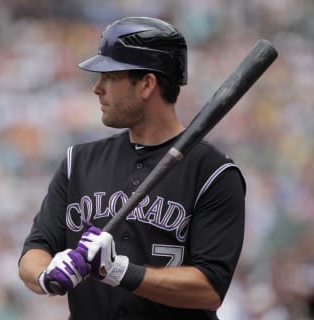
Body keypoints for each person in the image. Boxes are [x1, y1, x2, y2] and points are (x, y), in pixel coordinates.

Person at [18, 16, 245, 320]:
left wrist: (121, 271)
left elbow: (210, 289)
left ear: (147, 84)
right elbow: (35, 250)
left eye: (110, 77)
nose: (98, 88)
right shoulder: (79, 162)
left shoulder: (212, 172)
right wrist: (46, 275)